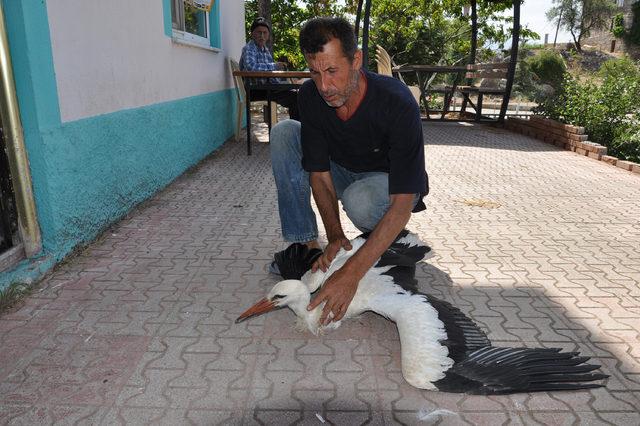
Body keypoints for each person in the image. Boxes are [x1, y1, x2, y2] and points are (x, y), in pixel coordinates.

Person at [269, 17, 428, 327]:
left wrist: (350, 273)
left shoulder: (396, 101)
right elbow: (319, 174)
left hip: (389, 187)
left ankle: (393, 237)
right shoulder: (311, 96)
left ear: (356, 60)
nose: (324, 86)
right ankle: (304, 244)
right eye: (314, 73)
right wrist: (335, 237)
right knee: (285, 133)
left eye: (332, 71)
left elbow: (403, 200)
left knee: (360, 200)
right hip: (343, 169)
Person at [240, 17, 300, 120]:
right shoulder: (249, 48)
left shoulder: (265, 49)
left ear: (268, 35)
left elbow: (270, 73)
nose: (262, 36)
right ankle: (297, 129)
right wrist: (275, 66)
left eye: (265, 33)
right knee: (295, 98)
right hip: (255, 90)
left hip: (266, 87)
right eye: (259, 32)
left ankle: (297, 127)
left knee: (297, 93)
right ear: (252, 34)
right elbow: (251, 67)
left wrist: (281, 81)